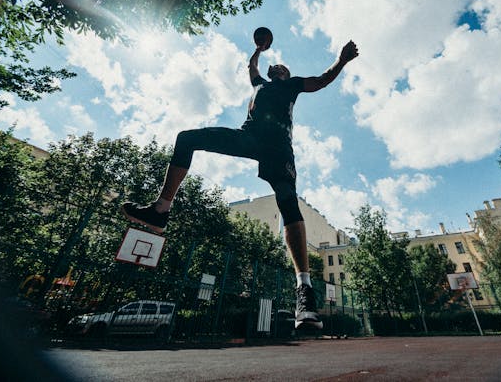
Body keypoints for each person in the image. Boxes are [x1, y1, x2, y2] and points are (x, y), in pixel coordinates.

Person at [121, 27, 359, 329]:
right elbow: (252, 68)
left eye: (282, 66)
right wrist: (259, 50)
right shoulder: (259, 83)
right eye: (275, 65)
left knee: (288, 203)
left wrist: (342, 60)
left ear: (286, 74)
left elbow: (322, 80)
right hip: (248, 137)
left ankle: (304, 289)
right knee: (186, 138)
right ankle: (160, 210)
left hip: (278, 148)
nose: (277, 66)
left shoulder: (293, 85)